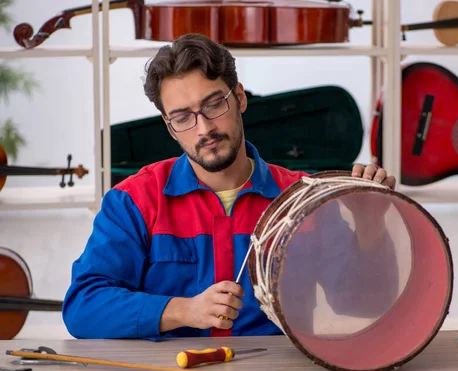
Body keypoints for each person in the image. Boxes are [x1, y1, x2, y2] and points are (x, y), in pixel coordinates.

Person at [62, 33, 399, 341]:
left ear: (239, 97)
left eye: (213, 105)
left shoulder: (303, 199)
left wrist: (370, 225)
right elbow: (82, 307)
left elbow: (363, 304)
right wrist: (183, 310)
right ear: (170, 127)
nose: (204, 128)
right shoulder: (132, 201)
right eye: (182, 117)